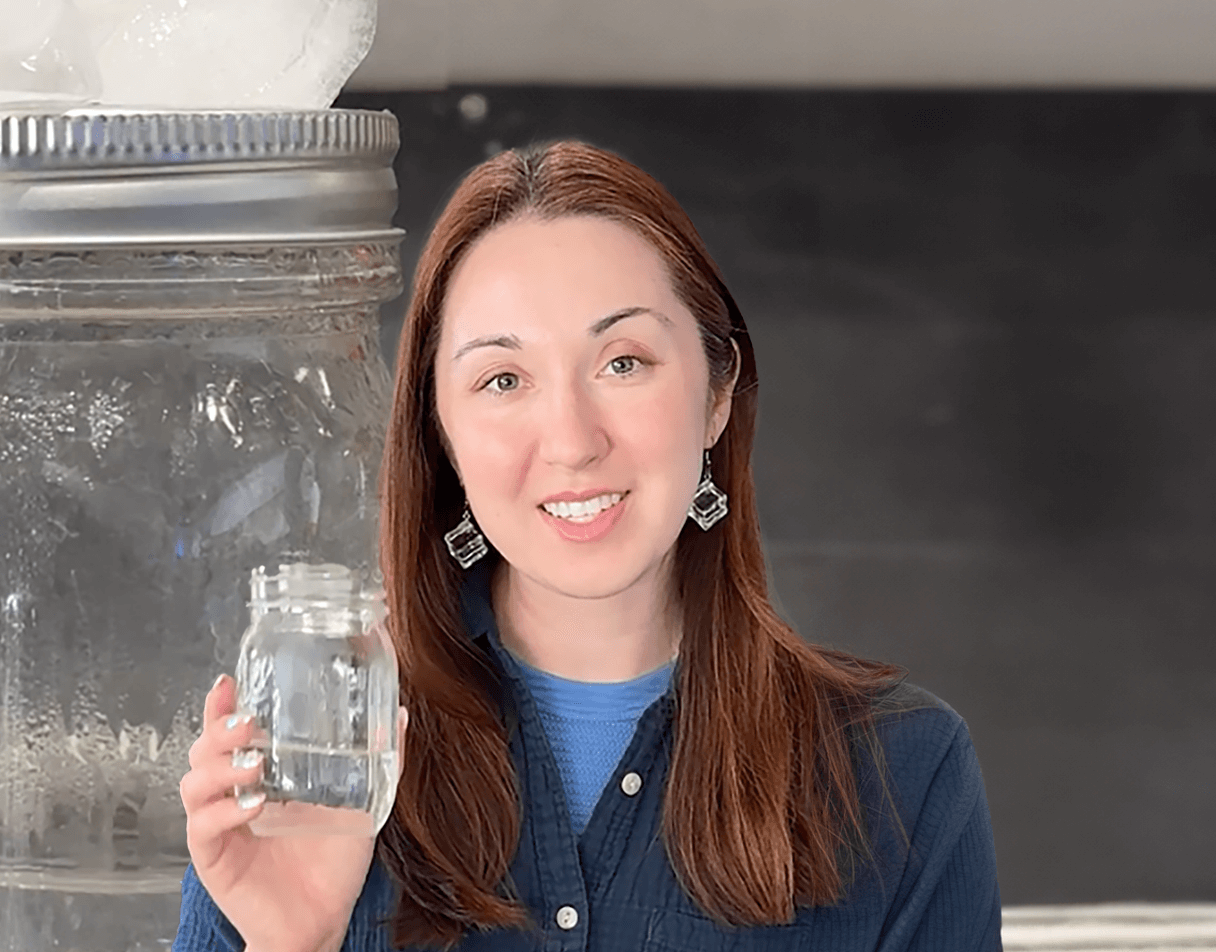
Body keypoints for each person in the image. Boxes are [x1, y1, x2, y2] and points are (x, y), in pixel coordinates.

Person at [174, 141, 1002, 951]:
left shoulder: (900, 772)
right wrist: (295, 944)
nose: (571, 440)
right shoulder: (305, 766)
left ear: (717, 394)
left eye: (623, 362)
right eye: (503, 379)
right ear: (442, 432)